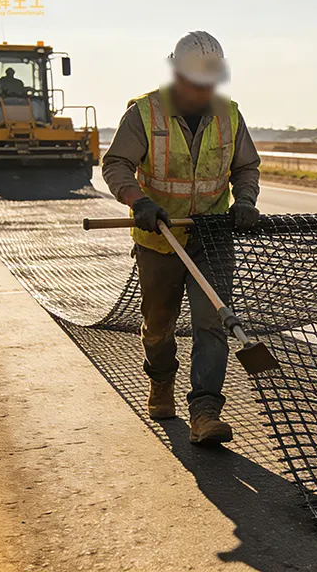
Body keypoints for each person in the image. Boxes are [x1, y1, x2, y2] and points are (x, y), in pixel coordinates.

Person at [102, 31, 261, 445]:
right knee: (158, 326)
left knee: (213, 322)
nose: (202, 91)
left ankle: (205, 411)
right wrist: (138, 201)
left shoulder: (229, 114)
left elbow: (246, 168)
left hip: (212, 233)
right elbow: (116, 164)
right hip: (159, 237)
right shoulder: (145, 113)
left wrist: (245, 201)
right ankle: (160, 379)